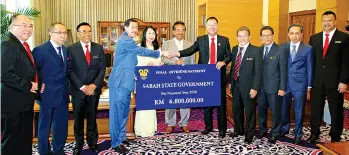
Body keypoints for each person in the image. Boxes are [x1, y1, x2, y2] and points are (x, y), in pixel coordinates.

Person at [108, 18, 172, 153]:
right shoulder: (125, 40)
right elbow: (143, 52)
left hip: (127, 83)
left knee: (124, 112)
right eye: (132, 27)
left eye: (136, 28)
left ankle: (122, 137)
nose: (135, 30)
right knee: (117, 114)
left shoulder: (129, 41)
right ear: (125, 28)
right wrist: (161, 53)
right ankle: (115, 143)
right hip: (119, 82)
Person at [172, 17, 231, 138]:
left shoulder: (224, 40)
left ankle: (222, 129)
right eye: (210, 25)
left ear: (217, 26)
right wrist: (178, 53)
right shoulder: (201, 40)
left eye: (214, 24)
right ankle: (208, 127)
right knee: (207, 103)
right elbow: (190, 50)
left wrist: (223, 62)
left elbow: (229, 55)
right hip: (205, 75)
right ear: (206, 26)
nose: (212, 27)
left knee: (221, 104)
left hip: (219, 75)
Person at [308, 11, 349, 143]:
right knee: (315, 109)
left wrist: (343, 81)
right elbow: (311, 62)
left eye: (330, 20)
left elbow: (346, 62)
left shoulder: (344, 38)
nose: (327, 23)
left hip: (336, 82)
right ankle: (314, 132)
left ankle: (335, 135)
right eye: (324, 21)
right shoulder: (314, 38)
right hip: (317, 81)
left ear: (335, 21)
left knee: (336, 109)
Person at [1, 14, 39, 155]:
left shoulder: (21, 45)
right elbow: (4, 74)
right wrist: (29, 85)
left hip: (23, 102)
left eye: (30, 26)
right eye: (23, 25)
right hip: (13, 104)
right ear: (12, 27)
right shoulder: (7, 44)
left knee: (23, 140)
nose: (28, 29)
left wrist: (36, 84)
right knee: (12, 142)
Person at [68, 22, 106, 154]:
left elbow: (102, 69)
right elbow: (70, 70)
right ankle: (78, 144)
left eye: (89, 31)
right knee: (78, 118)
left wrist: (94, 85)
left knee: (92, 116)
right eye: (84, 31)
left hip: (93, 90)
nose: (87, 34)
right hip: (78, 91)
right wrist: (83, 86)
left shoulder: (98, 48)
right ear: (78, 33)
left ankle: (92, 142)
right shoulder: (71, 48)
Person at [33, 22, 69, 155]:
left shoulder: (65, 50)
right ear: (50, 33)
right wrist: (38, 89)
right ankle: (44, 151)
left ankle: (58, 150)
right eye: (59, 32)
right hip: (46, 94)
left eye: (65, 33)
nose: (62, 35)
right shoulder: (40, 50)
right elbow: (34, 71)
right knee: (44, 125)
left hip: (63, 94)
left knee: (60, 125)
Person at [280, 24, 313, 145]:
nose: (294, 36)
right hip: (285, 83)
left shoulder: (308, 48)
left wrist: (309, 85)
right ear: (288, 34)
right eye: (292, 33)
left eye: (297, 33)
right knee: (284, 108)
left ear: (301, 34)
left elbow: (310, 67)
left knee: (299, 109)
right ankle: (284, 128)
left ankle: (298, 133)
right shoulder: (282, 47)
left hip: (300, 84)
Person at [229, 26, 262, 144]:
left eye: (245, 36)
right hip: (235, 85)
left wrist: (255, 88)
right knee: (236, 109)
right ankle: (239, 130)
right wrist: (230, 83)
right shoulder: (234, 49)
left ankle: (249, 135)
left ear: (249, 36)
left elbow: (258, 72)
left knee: (249, 112)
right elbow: (233, 67)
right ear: (237, 37)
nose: (242, 38)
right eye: (240, 36)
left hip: (249, 87)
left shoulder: (256, 50)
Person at [162, 21, 195, 133]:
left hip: (185, 77)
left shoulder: (190, 44)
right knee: (170, 100)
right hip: (170, 77)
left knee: (185, 100)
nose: (180, 32)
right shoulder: (166, 44)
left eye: (182, 30)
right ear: (173, 31)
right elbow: (164, 60)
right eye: (178, 30)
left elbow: (192, 62)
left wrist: (191, 76)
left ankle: (184, 123)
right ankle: (170, 123)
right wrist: (175, 63)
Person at [257, 26, 287, 144]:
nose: (266, 37)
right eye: (264, 35)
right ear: (261, 38)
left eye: (269, 35)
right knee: (261, 110)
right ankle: (262, 130)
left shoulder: (280, 50)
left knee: (275, 111)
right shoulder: (259, 50)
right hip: (261, 87)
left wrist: (282, 87)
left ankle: (275, 133)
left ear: (273, 36)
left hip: (275, 87)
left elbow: (283, 70)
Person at [134, 26, 161, 137]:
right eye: (149, 33)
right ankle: (141, 129)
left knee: (151, 105)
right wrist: (147, 64)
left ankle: (150, 129)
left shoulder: (157, 49)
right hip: (142, 80)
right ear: (144, 34)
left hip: (153, 80)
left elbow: (158, 62)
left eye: (153, 33)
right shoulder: (139, 47)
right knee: (143, 105)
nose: (151, 36)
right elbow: (136, 64)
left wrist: (158, 65)